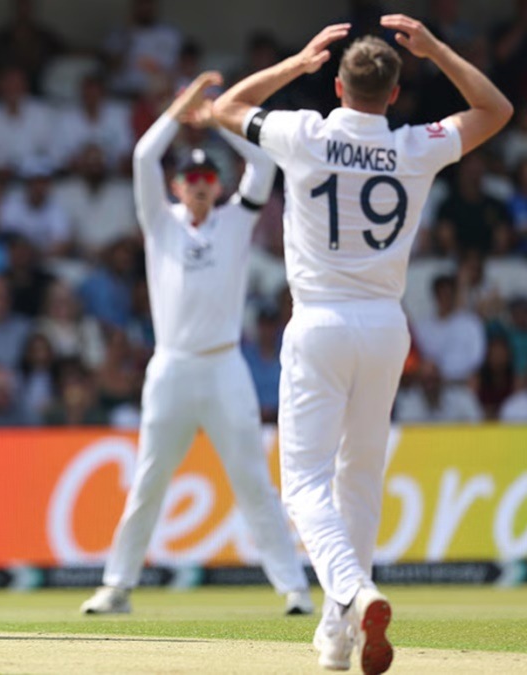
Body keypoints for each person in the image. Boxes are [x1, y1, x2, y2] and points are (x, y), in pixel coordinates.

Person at [212, 15, 512, 674]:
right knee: (361, 479)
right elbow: (497, 110)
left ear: (338, 88)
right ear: (395, 94)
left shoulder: (304, 133)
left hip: (320, 321)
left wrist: (295, 63)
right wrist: (438, 50)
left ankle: (353, 591)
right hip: (384, 325)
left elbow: (224, 107)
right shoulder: (416, 144)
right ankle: (338, 635)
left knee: (303, 484)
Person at [80, 72, 312, 619]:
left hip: (224, 367)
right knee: (149, 480)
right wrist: (181, 107)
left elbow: (263, 165)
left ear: (218, 184)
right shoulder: (160, 222)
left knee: (252, 480)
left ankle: (294, 590)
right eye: (192, 177)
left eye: (209, 177)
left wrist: (218, 121)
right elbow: (143, 156)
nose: (202, 184)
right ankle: (117, 587)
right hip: (172, 369)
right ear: (178, 185)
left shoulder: (236, 220)